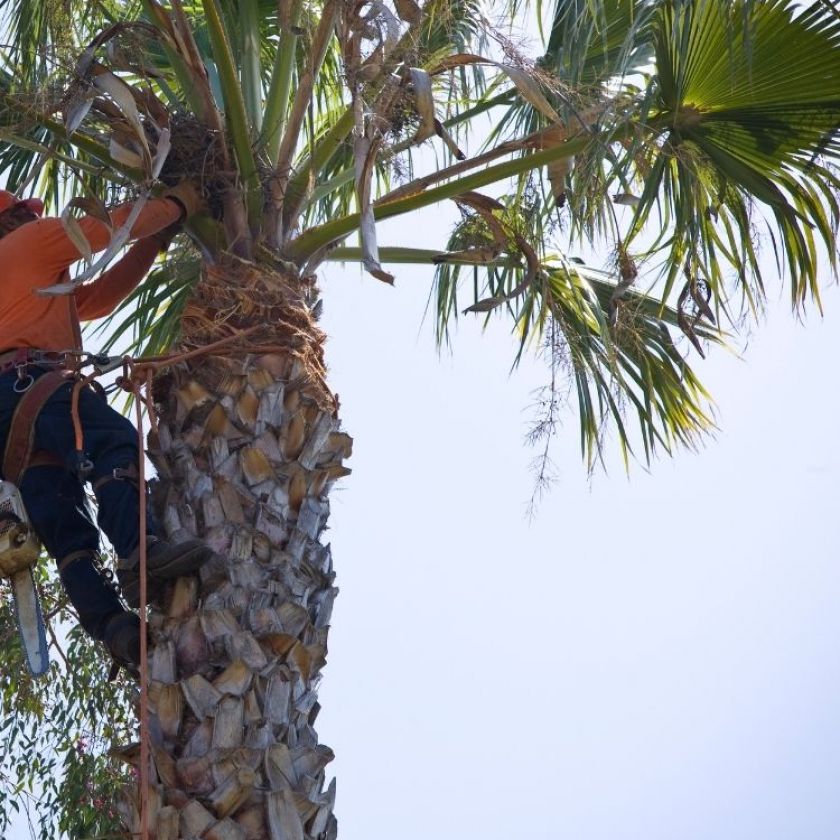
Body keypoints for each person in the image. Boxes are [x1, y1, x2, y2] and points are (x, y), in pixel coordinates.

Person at [0, 185, 211, 676]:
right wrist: (179, 203)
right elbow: (108, 227)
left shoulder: (28, 279)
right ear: (10, 220)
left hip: (7, 422)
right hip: (30, 383)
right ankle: (141, 551)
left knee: (67, 528)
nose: (34, 217)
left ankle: (113, 627)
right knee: (114, 442)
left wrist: (156, 241)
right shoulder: (29, 244)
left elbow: (99, 298)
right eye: (26, 213)